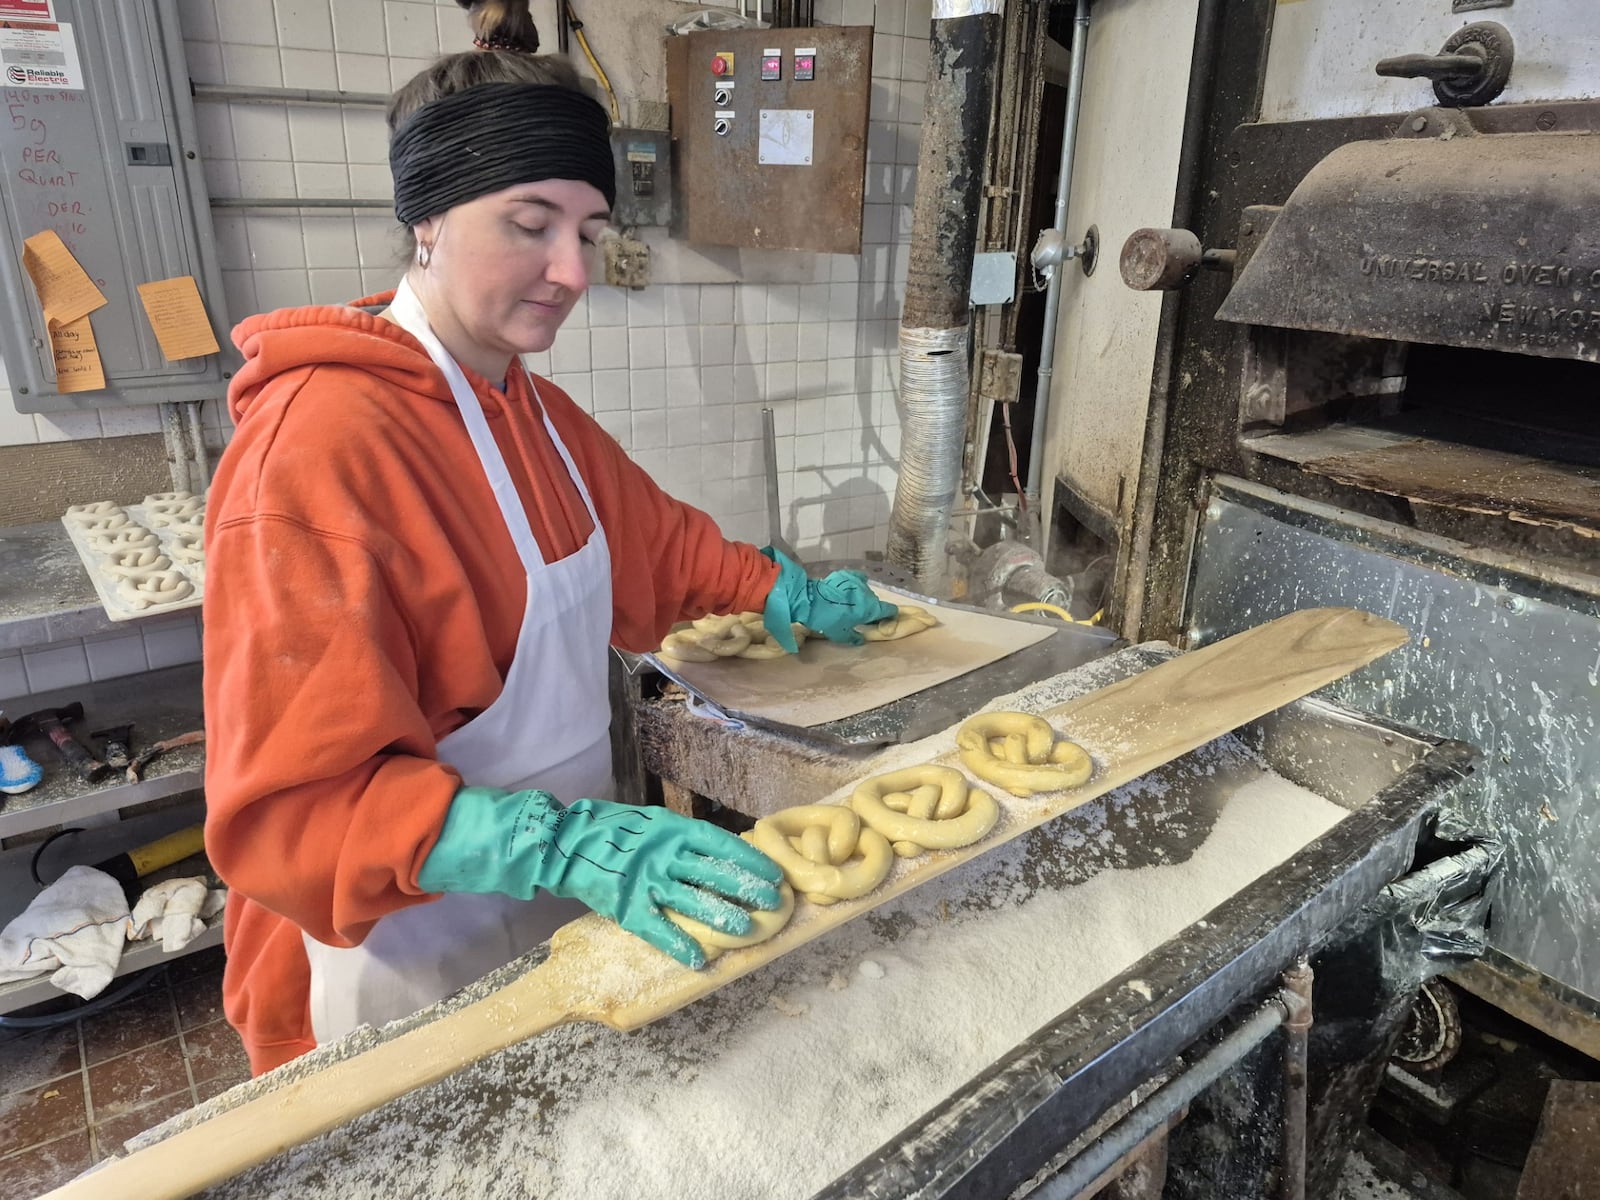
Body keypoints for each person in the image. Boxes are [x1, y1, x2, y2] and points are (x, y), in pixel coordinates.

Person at [202, 0, 896, 1075]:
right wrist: (552, 843)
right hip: (396, 949)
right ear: (426, 220)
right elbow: (294, 811)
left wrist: (774, 591)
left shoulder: (524, 408)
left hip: (560, 920)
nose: (571, 270)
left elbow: (655, 547)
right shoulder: (318, 452)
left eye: (588, 231)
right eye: (530, 225)